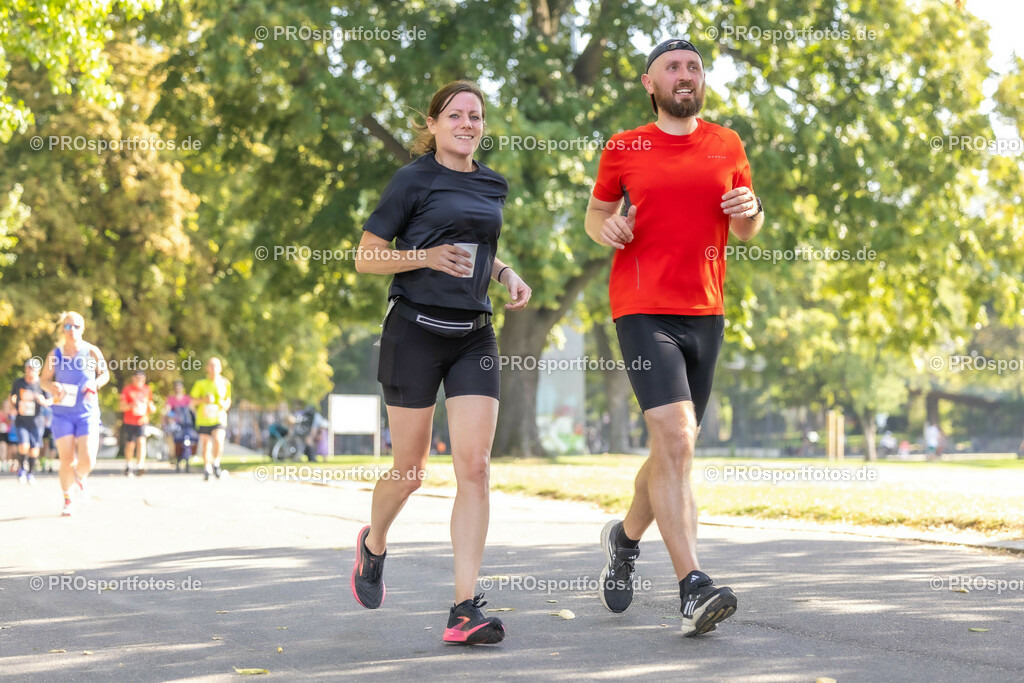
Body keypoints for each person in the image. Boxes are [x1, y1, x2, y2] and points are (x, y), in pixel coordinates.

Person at [585, 39, 764, 636]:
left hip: (705, 310)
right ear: (650, 82)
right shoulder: (624, 146)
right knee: (677, 435)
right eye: (672, 68)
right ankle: (692, 584)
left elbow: (746, 226)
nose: (684, 75)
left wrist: (752, 206)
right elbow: (595, 215)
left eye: (693, 67)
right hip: (641, 307)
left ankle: (625, 536)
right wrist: (606, 225)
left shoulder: (727, 143)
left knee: (673, 448)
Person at [351, 80, 532, 645]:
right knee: (410, 473)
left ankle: (463, 608)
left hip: (473, 335)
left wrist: (503, 274)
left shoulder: (491, 183)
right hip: (414, 332)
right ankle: (373, 542)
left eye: (475, 116)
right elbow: (366, 257)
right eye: (455, 115)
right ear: (432, 124)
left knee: (474, 466)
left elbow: (476, 243)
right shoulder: (412, 179)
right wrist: (424, 257)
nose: (466, 124)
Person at [39, 311, 110, 516]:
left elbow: (104, 373)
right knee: (67, 459)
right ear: (63, 329)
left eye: (76, 326)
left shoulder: (91, 351)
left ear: (83, 328)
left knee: (88, 460)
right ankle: (68, 499)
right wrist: (51, 386)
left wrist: (94, 384)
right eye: (68, 326)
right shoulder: (56, 354)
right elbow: (44, 380)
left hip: (86, 412)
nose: (72, 330)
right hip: (62, 413)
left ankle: (80, 476)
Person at [10, 359, 53, 484]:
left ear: (38, 371)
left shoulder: (42, 384)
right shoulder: (19, 382)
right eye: (29, 368)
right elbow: (12, 396)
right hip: (21, 419)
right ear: (25, 369)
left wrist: (43, 401)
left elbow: (50, 400)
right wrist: (13, 405)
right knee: (23, 445)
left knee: (34, 449)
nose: (31, 370)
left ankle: (30, 473)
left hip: (36, 421)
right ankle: (22, 470)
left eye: (33, 368)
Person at [191, 357, 232, 480]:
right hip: (204, 418)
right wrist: (204, 400)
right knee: (205, 444)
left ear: (220, 368)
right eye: (211, 365)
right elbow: (193, 401)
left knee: (219, 440)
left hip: (219, 417)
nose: (213, 368)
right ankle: (207, 468)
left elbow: (228, 399)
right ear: (207, 368)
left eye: (216, 366)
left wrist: (226, 405)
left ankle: (216, 463)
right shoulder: (201, 383)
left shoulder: (225, 383)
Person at [119, 370, 156, 476]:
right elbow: (121, 407)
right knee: (130, 444)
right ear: (133, 378)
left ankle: (140, 465)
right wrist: (132, 405)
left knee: (141, 441)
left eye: (142, 378)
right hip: (129, 421)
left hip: (142, 420)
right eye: (137, 378)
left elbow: (151, 406)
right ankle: (129, 464)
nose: (139, 380)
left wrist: (150, 406)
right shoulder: (127, 389)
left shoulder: (147, 390)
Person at [164, 380, 196, 471]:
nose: (178, 389)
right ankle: (173, 454)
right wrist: (170, 416)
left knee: (191, 439)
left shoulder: (187, 399)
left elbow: (192, 410)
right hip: (176, 423)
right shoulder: (171, 399)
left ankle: (188, 457)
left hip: (186, 423)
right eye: (176, 387)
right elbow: (168, 410)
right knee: (173, 437)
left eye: (180, 387)